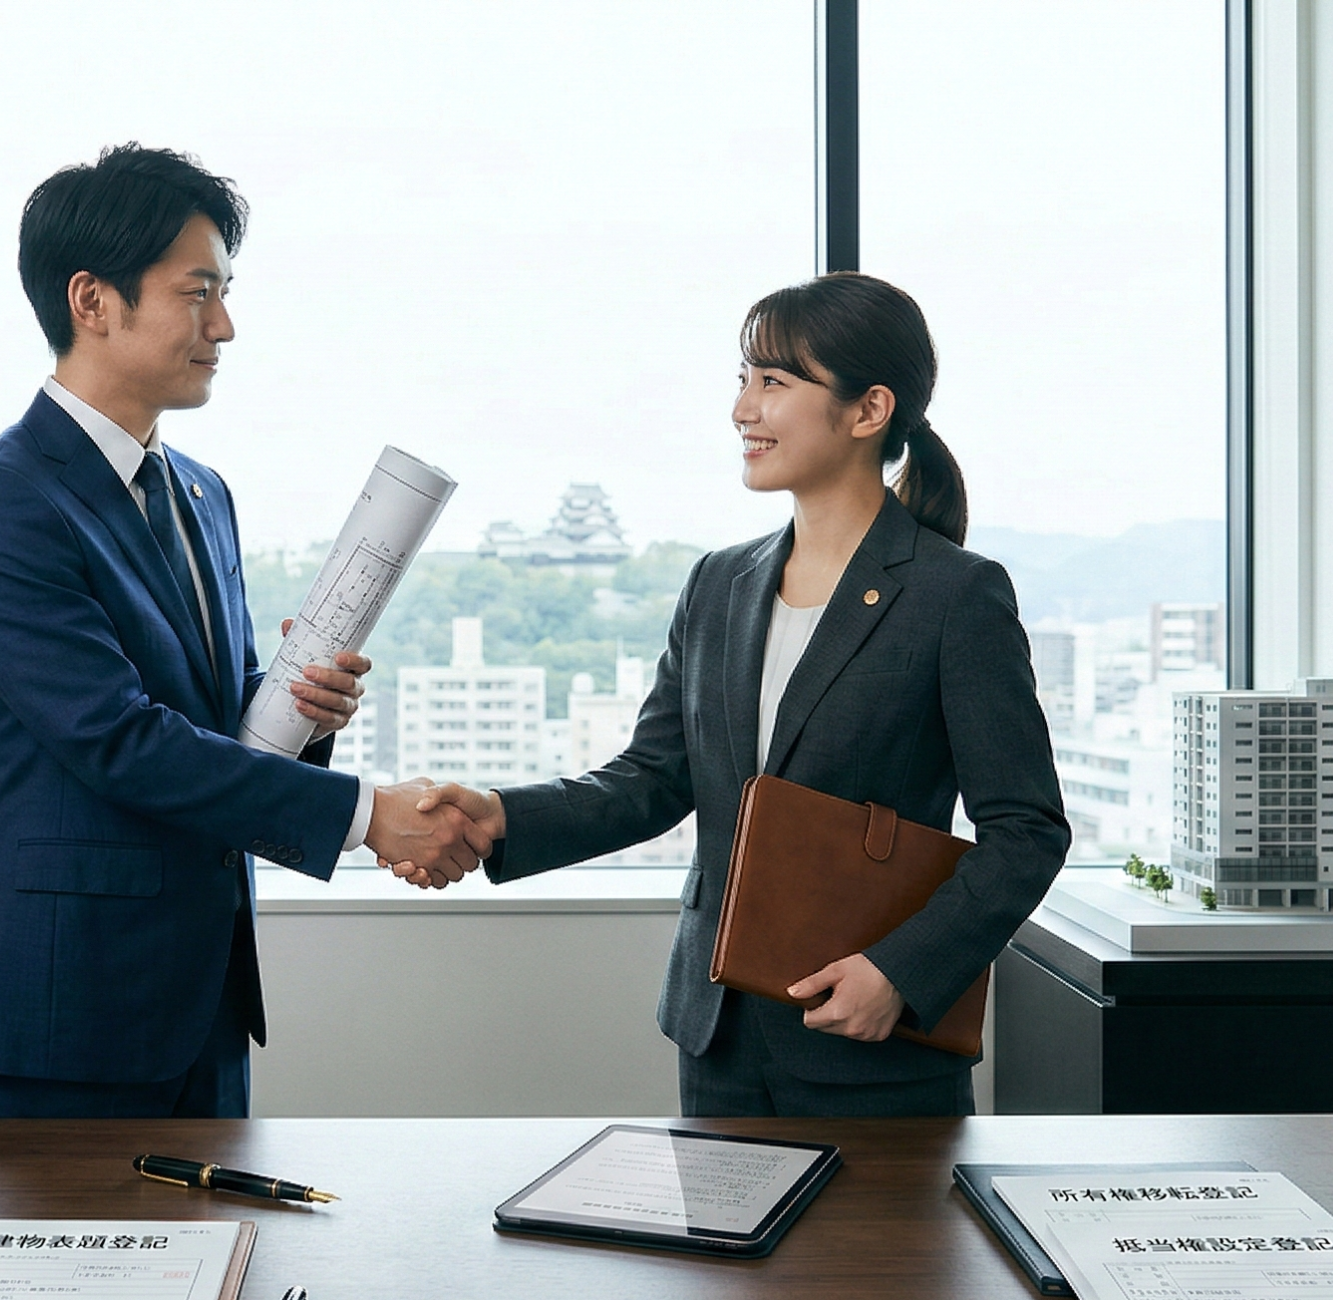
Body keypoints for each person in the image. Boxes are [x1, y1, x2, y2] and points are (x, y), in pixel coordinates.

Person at [406, 272, 1069, 1117]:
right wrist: (502, 815)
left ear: (869, 410)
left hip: (870, 1047)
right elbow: (653, 779)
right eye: (744, 378)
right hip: (717, 1036)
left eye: (774, 382)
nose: (742, 409)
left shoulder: (955, 595)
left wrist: (901, 973)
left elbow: (1026, 831)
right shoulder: (719, 584)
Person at [0, 144, 482, 1119]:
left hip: (206, 997)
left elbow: (210, 718)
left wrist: (301, 711)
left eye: (225, 294)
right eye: (198, 293)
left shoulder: (201, 492)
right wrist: (365, 815)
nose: (223, 326)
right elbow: (117, 739)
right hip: (66, 1010)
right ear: (92, 301)